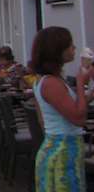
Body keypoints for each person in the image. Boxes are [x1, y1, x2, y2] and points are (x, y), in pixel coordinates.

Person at [29, 26, 87, 190]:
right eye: (70, 45)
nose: (74, 48)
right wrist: (81, 83)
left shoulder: (44, 80)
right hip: (63, 151)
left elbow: (44, 119)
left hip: (56, 146)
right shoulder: (51, 83)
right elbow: (78, 118)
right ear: (57, 50)